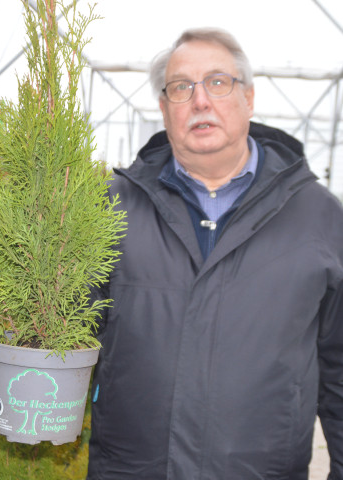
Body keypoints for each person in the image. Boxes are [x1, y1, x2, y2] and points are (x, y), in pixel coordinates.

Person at [87, 27, 343, 480]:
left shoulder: (321, 218)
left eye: (218, 82)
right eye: (181, 88)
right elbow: (65, 339)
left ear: (248, 97)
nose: (200, 100)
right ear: (165, 109)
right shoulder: (108, 210)